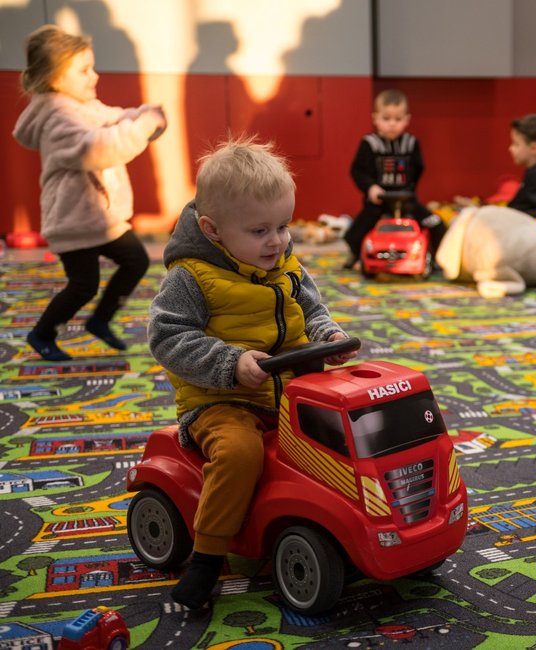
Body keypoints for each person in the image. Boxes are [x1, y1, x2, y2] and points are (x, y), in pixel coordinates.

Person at [148, 136, 358, 609]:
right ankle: (206, 558)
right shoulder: (190, 278)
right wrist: (229, 363)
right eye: (261, 230)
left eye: (284, 226)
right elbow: (166, 339)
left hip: (291, 388)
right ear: (213, 229)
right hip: (220, 401)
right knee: (241, 452)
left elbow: (312, 306)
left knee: (351, 427)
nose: (278, 240)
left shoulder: (284, 261)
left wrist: (326, 336)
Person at [13, 24, 166, 361]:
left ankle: (99, 320)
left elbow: (112, 118)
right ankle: (41, 333)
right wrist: (142, 127)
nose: (94, 76)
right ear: (54, 79)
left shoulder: (82, 105)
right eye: (83, 70)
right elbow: (97, 148)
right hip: (71, 221)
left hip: (99, 216)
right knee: (83, 285)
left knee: (136, 260)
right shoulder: (56, 118)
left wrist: (143, 115)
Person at [342, 88, 445, 269]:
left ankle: (434, 258)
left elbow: (419, 168)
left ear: (407, 119)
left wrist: (410, 190)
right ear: (375, 118)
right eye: (386, 118)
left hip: (407, 201)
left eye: (397, 119)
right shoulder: (369, 143)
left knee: (437, 225)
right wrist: (371, 188)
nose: (392, 124)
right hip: (378, 202)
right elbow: (357, 171)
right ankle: (358, 255)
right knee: (355, 232)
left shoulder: (411, 143)